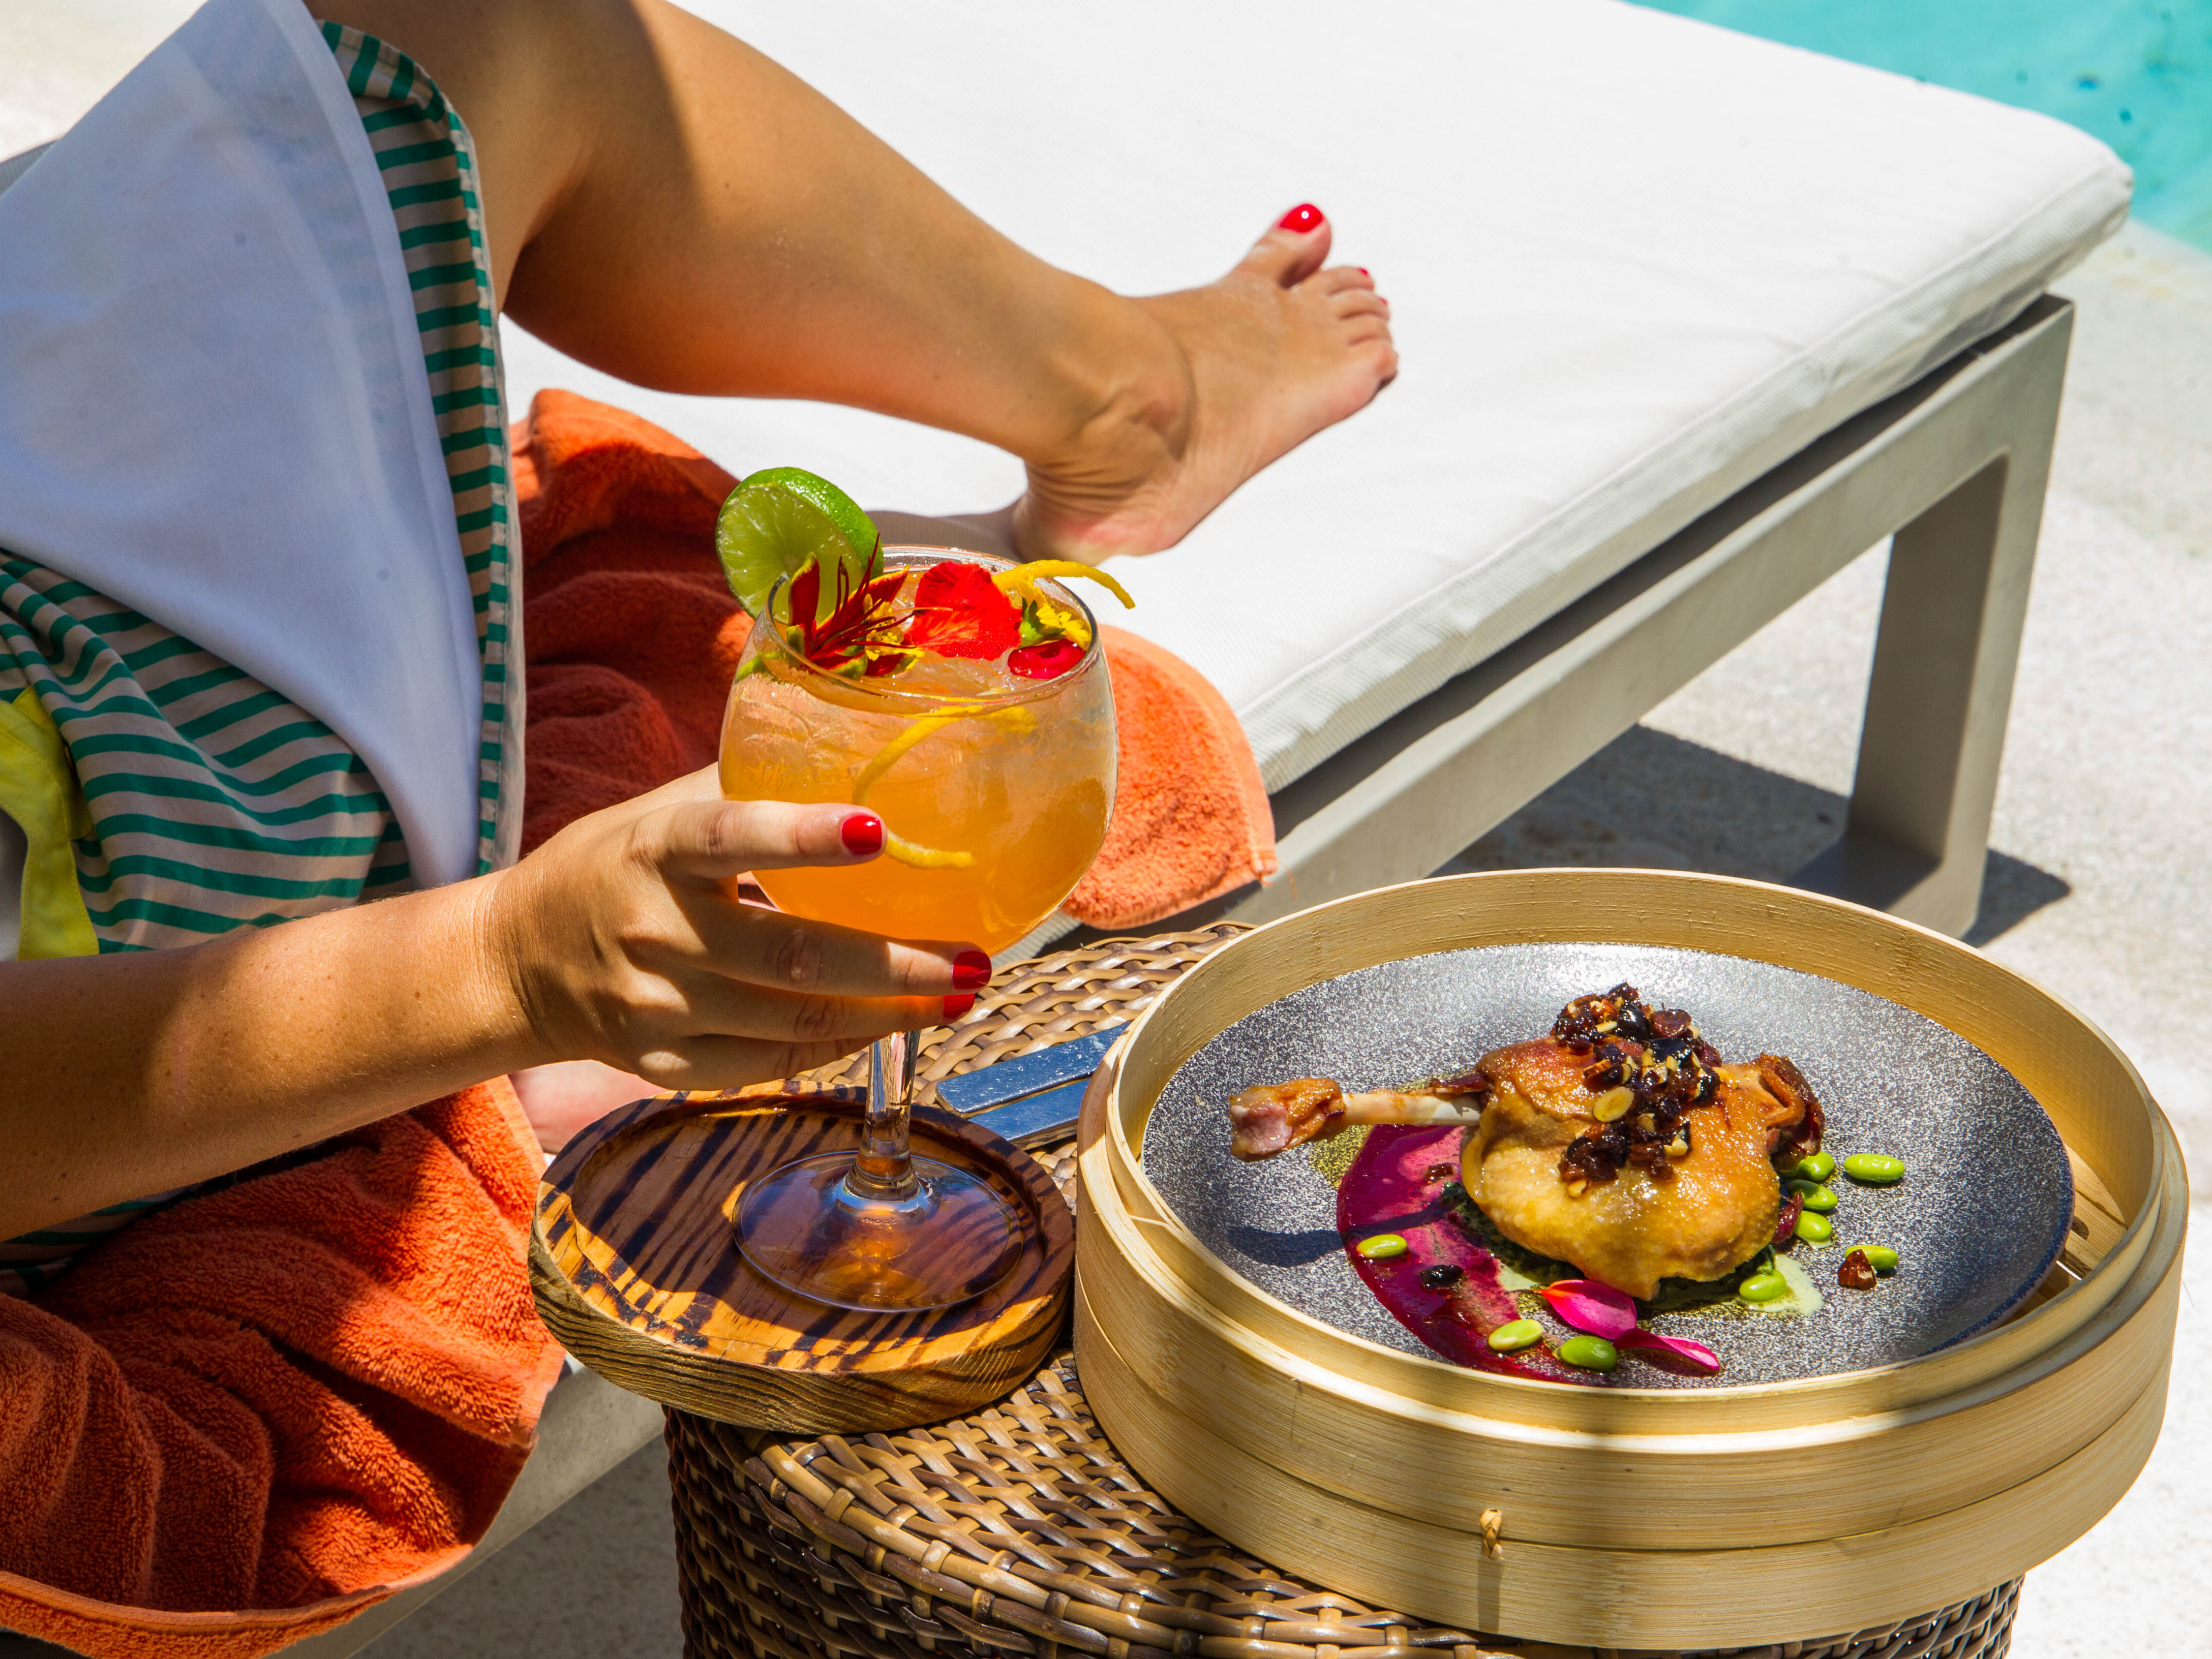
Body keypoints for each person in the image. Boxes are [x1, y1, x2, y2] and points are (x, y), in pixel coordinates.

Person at [0, 0, 1395, 1252]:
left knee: (471, 29)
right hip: (111, 924)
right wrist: (508, 970)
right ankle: (1135, 400)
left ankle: (1131, 405)